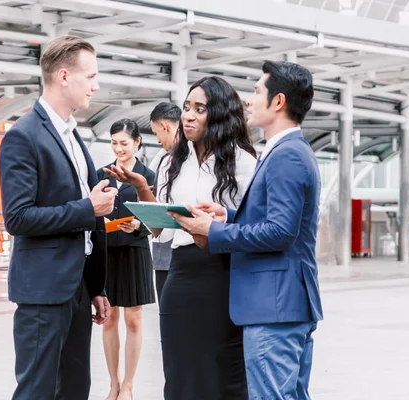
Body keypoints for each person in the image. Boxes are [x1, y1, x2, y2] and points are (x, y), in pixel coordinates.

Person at [171, 61, 324, 400]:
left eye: (256, 92)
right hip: (281, 304)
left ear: (278, 102)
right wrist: (229, 216)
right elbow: (277, 220)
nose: (249, 101)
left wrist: (214, 232)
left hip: (275, 305)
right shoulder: (284, 151)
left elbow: (280, 231)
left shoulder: (287, 156)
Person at [105, 76, 256, 400]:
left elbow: (251, 226)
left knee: (223, 369)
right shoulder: (171, 162)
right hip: (181, 272)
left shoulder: (243, 162)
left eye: (199, 109)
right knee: (179, 371)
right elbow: (159, 229)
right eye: (187, 107)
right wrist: (142, 188)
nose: (188, 115)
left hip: (225, 274)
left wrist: (215, 226)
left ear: (219, 115)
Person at [0, 35, 116, 400]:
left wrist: (95, 287)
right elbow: (17, 218)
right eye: (90, 76)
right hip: (43, 292)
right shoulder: (24, 136)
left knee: (76, 389)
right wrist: (87, 208)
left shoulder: (73, 136)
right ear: (64, 76)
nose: (96, 86)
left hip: (77, 288)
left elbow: (88, 221)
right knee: (37, 391)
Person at [96, 119, 155, 400]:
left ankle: (129, 385)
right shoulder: (101, 175)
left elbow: (157, 218)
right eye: (114, 142)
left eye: (124, 143)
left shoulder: (147, 175)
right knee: (108, 319)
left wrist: (139, 226)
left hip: (135, 250)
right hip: (106, 251)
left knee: (133, 319)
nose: (119, 148)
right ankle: (113, 384)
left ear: (137, 143)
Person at [148, 102, 181, 303]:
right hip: (170, 252)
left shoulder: (172, 159)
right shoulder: (165, 158)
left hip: (170, 253)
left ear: (165, 126)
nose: (158, 140)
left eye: (156, 133)